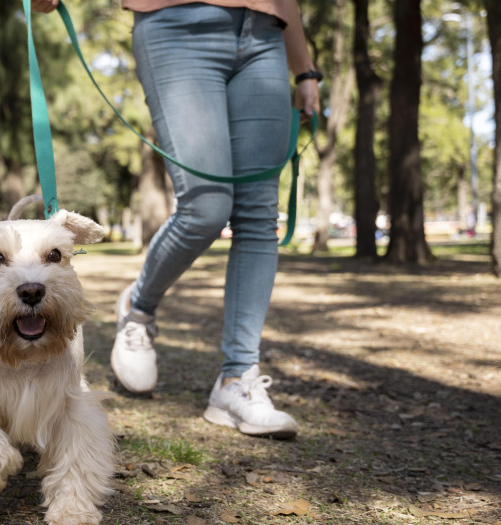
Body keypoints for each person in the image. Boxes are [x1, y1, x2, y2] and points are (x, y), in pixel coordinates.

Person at [34, 0, 321, 439]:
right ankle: (138, 307)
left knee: (260, 216)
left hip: (265, 32)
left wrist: (305, 70)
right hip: (175, 23)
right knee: (206, 207)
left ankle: (237, 378)